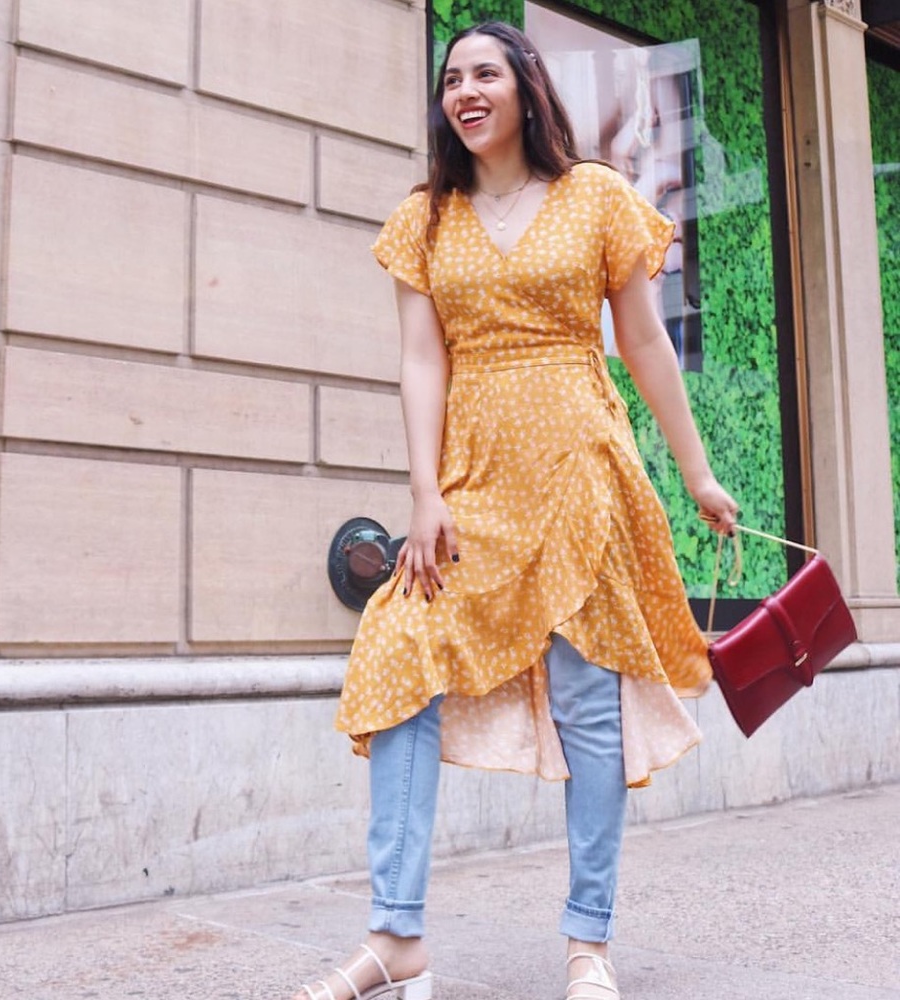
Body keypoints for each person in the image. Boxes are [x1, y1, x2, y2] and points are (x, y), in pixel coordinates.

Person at [294, 20, 738, 1000]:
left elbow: (647, 347)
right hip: (470, 487)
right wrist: (423, 494)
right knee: (397, 659)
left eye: (484, 71)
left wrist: (696, 472)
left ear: (524, 87)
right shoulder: (426, 216)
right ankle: (396, 936)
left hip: (582, 470)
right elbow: (421, 360)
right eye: (451, 78)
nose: (465, 90)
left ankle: (588, 943)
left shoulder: (594, 200)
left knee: (587, 706)